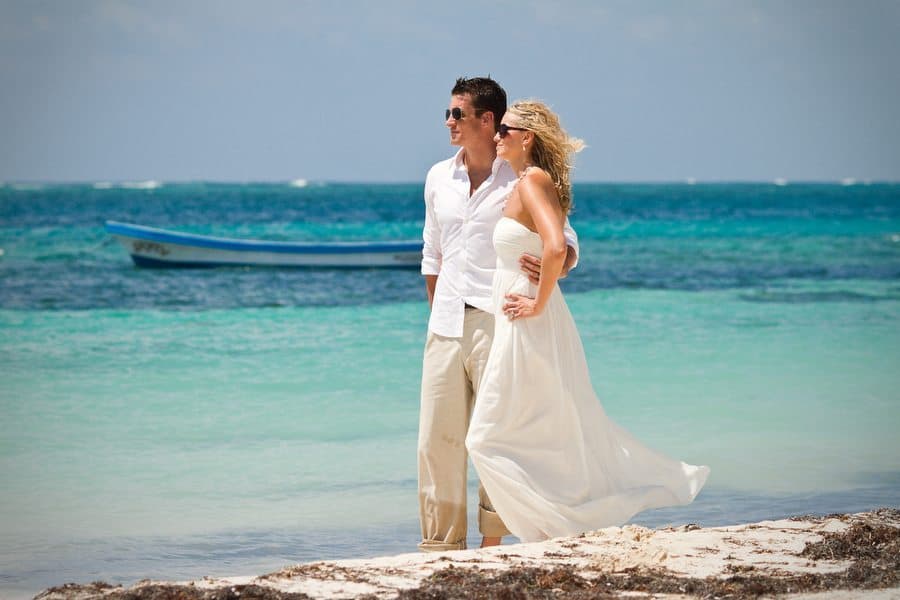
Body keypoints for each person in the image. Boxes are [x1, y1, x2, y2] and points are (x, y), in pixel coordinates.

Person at [465, 100, 710, 543]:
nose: (496, 135)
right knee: (540, 424)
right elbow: (550, 249)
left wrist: (537, 304)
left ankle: (554, 523)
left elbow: (557, 246)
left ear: (528, 137)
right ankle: (550, 529)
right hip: (522, 319)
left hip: (528, 320)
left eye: (505, 129)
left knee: (484, 437)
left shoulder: (533, 181)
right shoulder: (525, 182)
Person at [418, 78, 581, 552]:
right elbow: (432, 254)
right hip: (446, 323)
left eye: (456, 114)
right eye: (448, 113)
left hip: (499, 319)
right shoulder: (436, 178)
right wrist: (438, 314)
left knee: (494, 435)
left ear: (486, 120)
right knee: (435, 440)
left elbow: (566, 242)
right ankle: (440, 545)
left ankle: (494, 538)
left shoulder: (520, 175)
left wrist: (559, 266)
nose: (447, 122)